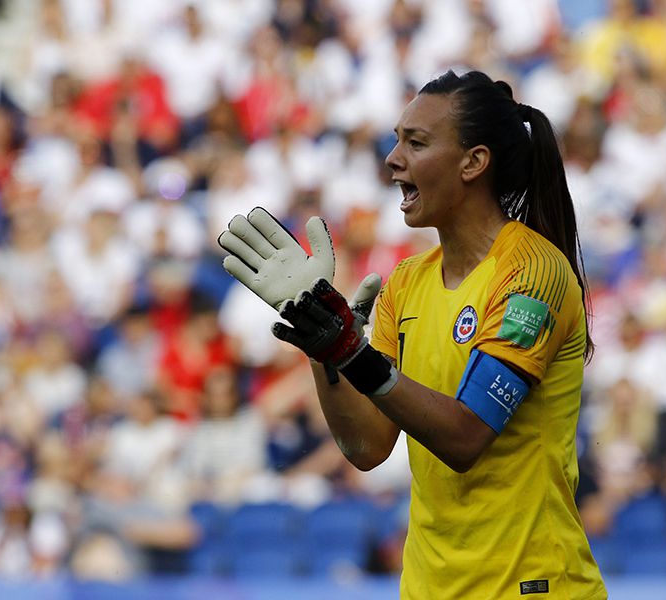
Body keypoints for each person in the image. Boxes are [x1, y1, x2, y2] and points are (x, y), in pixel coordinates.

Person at [219, 69, 606, 598]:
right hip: (428, 587)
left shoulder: (532, 273)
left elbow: (466, 437)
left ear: (474, 162)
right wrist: (321, 345)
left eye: (416, 142)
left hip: (529, 586)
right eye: (397, 139)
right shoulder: (407, 281)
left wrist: (351, 353)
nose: (392, 157)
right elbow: (367, 446)